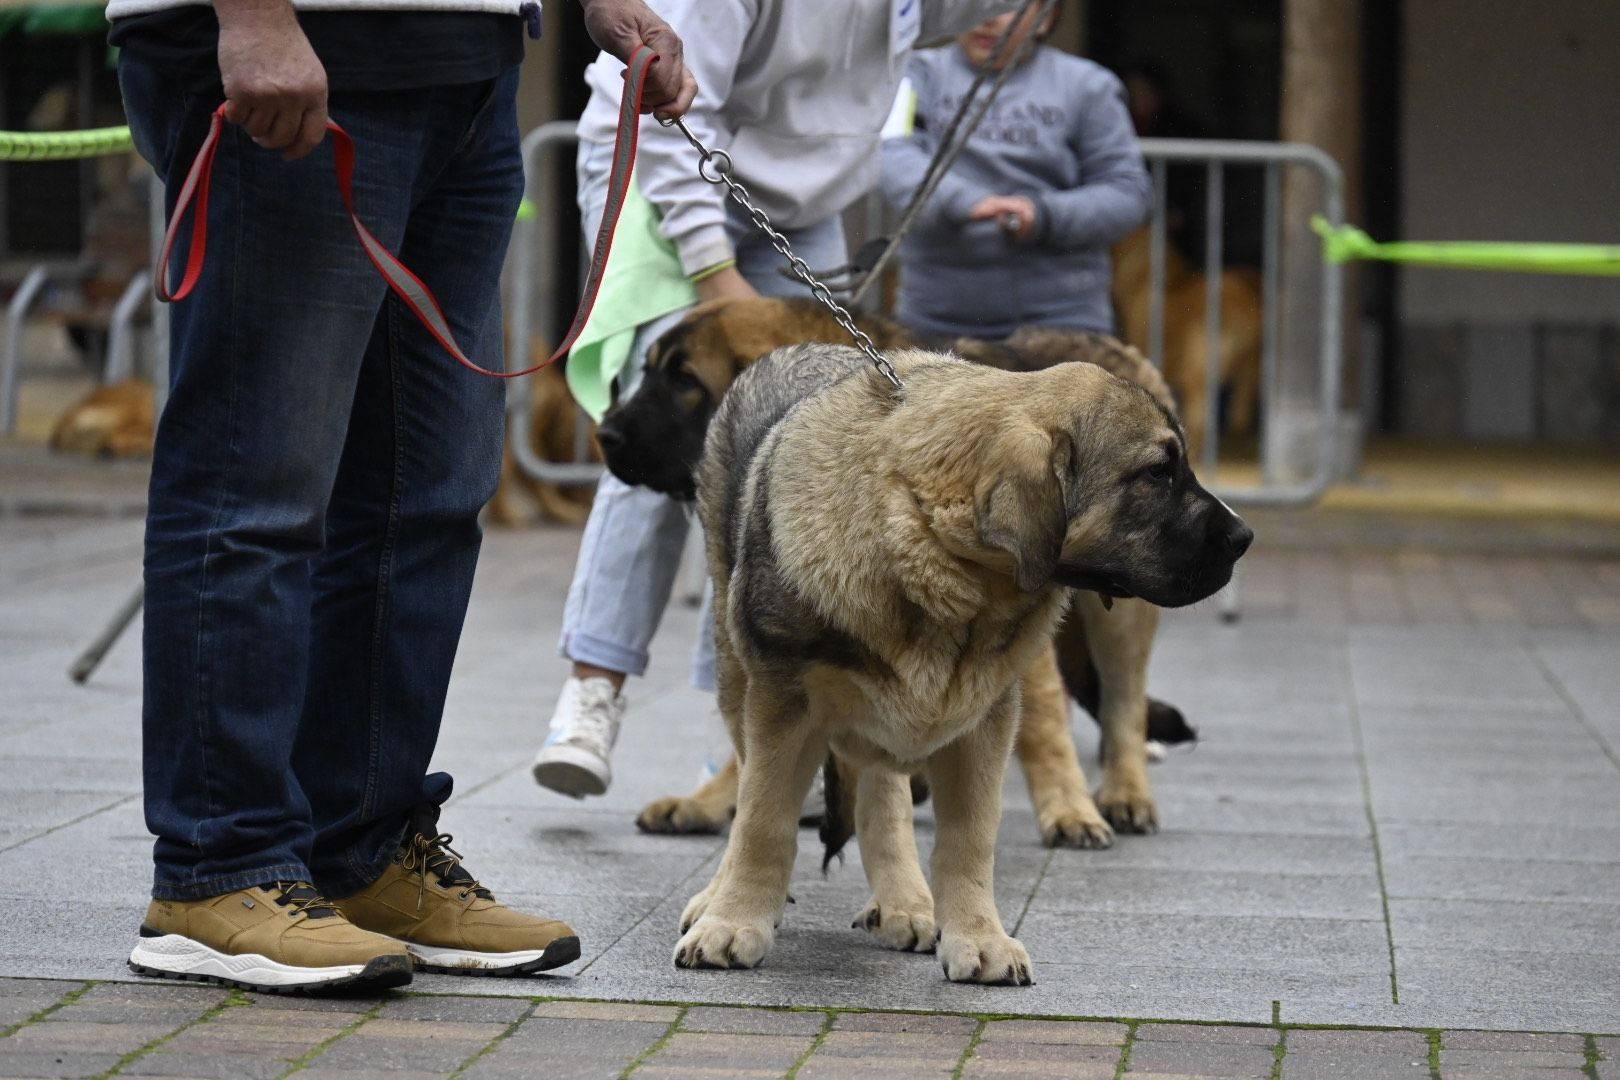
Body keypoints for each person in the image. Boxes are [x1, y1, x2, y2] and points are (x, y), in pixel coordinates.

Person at [109, 0, 694, 992]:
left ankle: (363, 849)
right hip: (299, 45)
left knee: (424, 500)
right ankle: (218, 868)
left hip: (466, 54)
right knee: (256, 484)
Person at [532, 0, 1020, 800]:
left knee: (813, 448)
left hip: (798, 206)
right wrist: (716, 283)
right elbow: (661, 108)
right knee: (672, 430)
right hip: (663, 170)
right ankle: (592, 694)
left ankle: (742, 746)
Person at [879, 5, 1151, 340]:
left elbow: (1126, 192)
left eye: (1006, 3)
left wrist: (1042, 215)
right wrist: (965, 202)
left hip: (1062, 325)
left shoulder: (1090, 87)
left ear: (1046, 19)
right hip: (933, 321)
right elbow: (891, 156)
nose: (987, 15)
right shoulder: (914, 75)